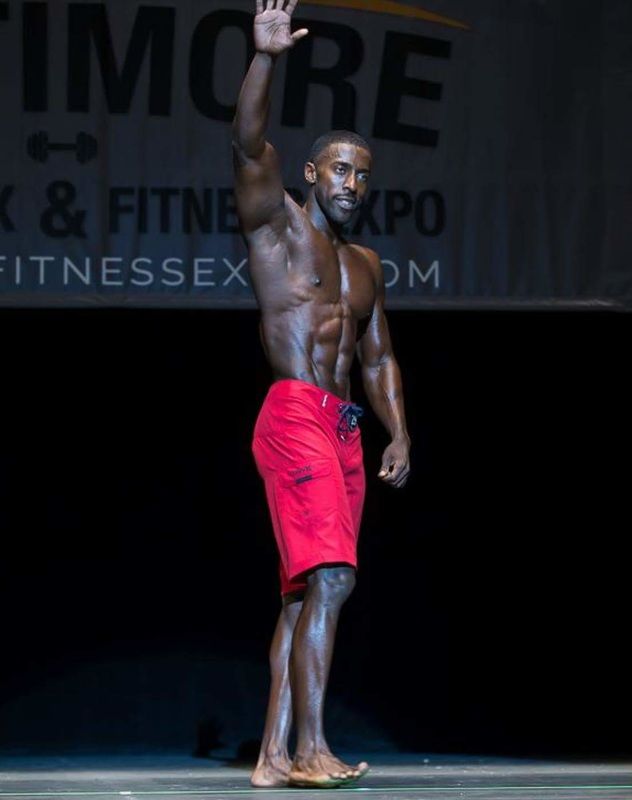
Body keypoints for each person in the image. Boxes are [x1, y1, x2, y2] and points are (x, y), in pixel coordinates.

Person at [232, 0, 411, 789]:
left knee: (307, 593)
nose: (352, 183)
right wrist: (265, 58)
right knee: (333, 578)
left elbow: (378, 359)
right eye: (340, 169)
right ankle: (309, 750)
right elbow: (247, 143)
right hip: (295, 413)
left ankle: (272, 758)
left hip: (343, 431)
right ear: (313, 174)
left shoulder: (368, 264)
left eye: (363, 175)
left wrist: (398, 433)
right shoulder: (277, 228)